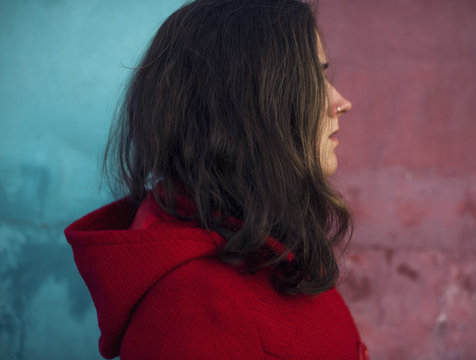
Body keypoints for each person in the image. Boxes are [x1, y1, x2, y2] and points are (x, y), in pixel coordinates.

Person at [65, 0, 369, 359]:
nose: (342, 102)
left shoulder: (273, 255)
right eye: (312, 78)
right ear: (248, 106)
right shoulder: (198, 310)